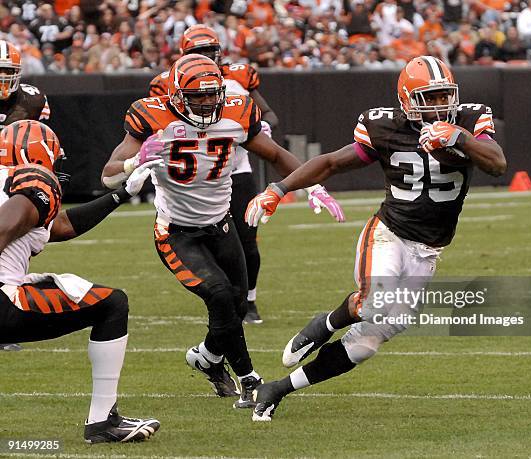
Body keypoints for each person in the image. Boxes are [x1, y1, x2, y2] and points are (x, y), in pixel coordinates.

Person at [245, 55, 507, 421]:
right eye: (428, 98)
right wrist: (279, 188)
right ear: (406, 100)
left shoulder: (467, 120)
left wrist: (459, 137)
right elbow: (333, 163)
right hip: (390, 234)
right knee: (374, 302)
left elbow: (496, 163)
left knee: (369, 341)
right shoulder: (385, 127)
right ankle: (325, 324)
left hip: (428, 250)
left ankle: (279, 388)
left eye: (443, 95)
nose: (438, 105)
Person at [100, 55, 344, 409]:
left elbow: (274, 153)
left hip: (222, 224)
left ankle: (207, 357)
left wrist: (312, 187)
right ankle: (248, 379)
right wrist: (133, 162)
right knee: (217, 294)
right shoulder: (152, 116)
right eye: (198, 96)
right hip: (176, 232)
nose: (208, 102)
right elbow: (107, 176)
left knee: (236, 304)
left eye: (213, 94)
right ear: (177, 95)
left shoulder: (235, 111)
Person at [0, 119, 161, 442]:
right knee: (112, 305)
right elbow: (4, 229)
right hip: (4, 299)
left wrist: (118, 196)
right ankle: (103, 422)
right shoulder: (33, 179)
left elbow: (59, 226)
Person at [149, 25, 291, 324]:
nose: (206, 57)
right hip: (190, 175)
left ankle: (248, 300)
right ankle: (221, 295)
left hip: (234, 166)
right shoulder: (165, 84)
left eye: (210, 51)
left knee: (246, 237)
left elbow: (268, 114)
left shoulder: (238, 77)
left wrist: (263, 127)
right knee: (206, 238)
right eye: (198, 52)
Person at [0, 39, 51, 351]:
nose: (2, 79)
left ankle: (6, 315)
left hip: (16, 181)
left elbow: (38, 140)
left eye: (7, 72)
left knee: (15, 249)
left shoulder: (33, 100)